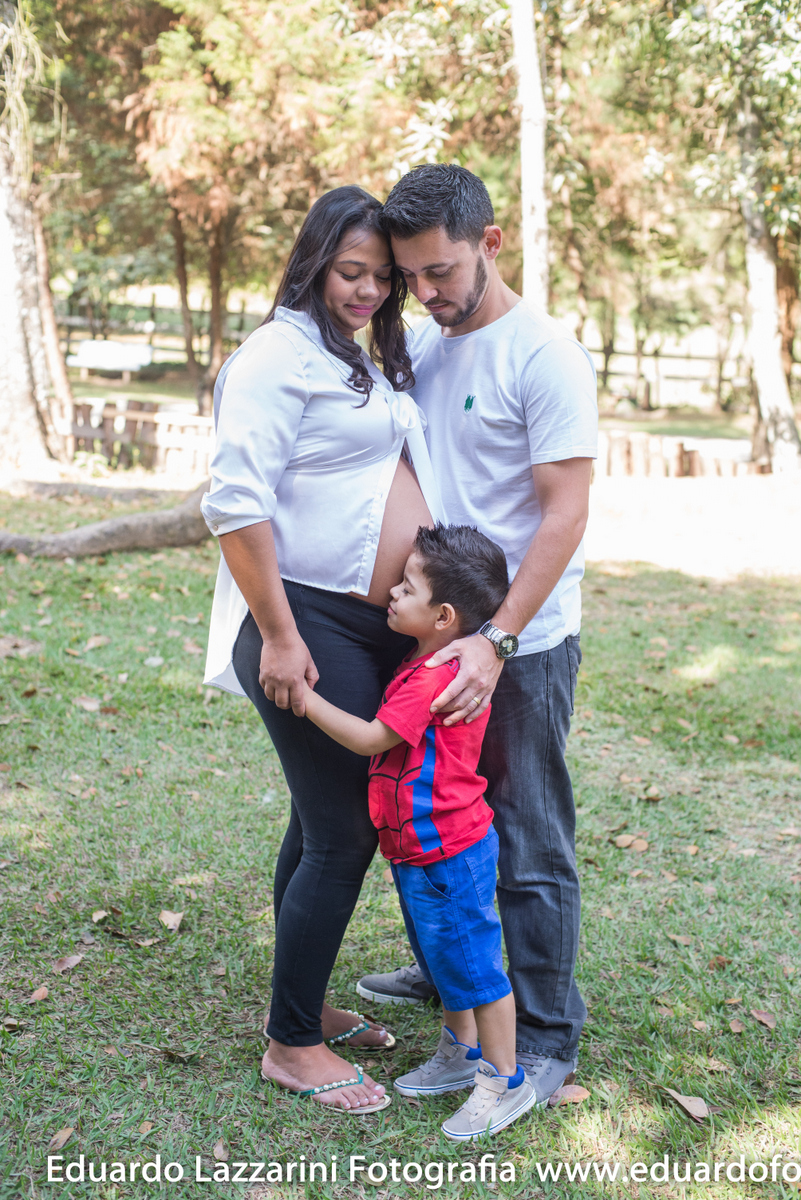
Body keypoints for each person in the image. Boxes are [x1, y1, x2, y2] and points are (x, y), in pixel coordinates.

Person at [356, 164, 598, 1105]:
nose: (424, 291)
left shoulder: (544, 355)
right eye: (410, 274)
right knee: (433, 820)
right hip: (434, 639)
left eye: (441, 271)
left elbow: (564, 513)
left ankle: (540, 1037)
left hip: (519, 646)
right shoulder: (424, 342)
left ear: (489, 244)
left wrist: (492, 641)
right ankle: (454, 976)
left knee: (529, 839)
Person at [200, 186, 445, 1114]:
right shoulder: (273, 356)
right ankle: (291, 1043)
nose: (369, 291)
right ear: (311, 261)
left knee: (318, 823)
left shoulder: (359, 354)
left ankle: (305, 1004)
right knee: (344, 834)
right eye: (351, 272)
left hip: (362, 626)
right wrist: (279, 635)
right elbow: (234, 501)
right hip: (304, 619)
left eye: (383, 278)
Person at [302, 523, 540, 1140]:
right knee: (447, 959)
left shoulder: (434, 678)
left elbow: (368, 738)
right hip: (422, 849)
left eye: (406, 587)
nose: (392, 592)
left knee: (477, 970)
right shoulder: (427, 656)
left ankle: (504, 1082)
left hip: (445, 850)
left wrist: (302, 698)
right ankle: (461, 1055)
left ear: (443, 615)